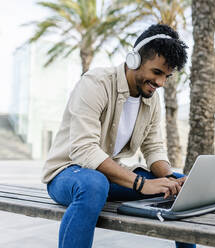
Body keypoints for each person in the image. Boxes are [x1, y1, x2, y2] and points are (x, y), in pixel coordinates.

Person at [42, 24, 195, 248]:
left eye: (167, 76)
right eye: (156, 73)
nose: (161, 83)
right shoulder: (96, 83)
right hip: (67, 173)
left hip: (108, 178)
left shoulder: (151, 99)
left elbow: (153, 147)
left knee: (184, 190)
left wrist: (170, 177)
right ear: (134, 60)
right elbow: (84, 149)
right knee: (94, 184)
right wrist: (141, 184)